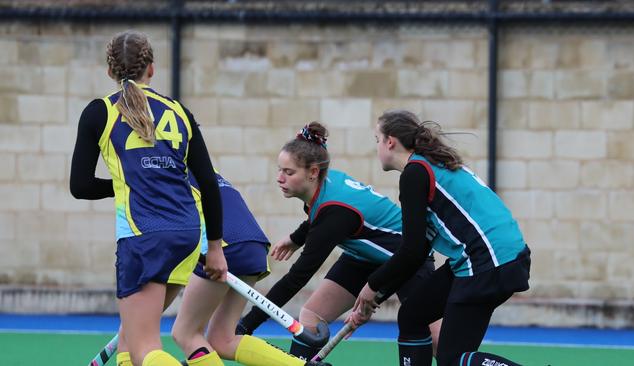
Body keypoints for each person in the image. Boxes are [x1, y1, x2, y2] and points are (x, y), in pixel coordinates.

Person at [70, 30, 227, 366]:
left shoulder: (100, 112)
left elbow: (80, 186)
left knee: (145, 350)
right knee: (129, 343)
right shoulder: (179, 111)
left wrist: (125, 184)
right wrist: (213, 247)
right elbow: (209, 185)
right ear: (151, 69)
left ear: (110, 71)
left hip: (144, 236)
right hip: (187, 235)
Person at [237, 122, 440, 361]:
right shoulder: (325, 184)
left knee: (440, 343)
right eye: (279, 170)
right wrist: (296, 238)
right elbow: (319, 219)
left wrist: (245, 326)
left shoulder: (335, 212)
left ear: (313, 172)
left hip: (407, 260)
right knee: (311, 317)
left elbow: (297, 278)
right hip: (362, 258)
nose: (280, 179)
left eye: (289, 172)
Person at [347, 109, 531, 366]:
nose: (377, 147)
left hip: (487, 263)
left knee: (452, 360)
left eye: (377, 139)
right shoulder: (428, 167)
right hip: (496, 259)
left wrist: (370, 287)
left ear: (390, 142)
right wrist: (376, 296)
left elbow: (410, 251)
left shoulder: (415, 173)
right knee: (413, 315)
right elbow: (419, 250)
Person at [171, 170, 331, 366]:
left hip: (222, 246)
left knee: (185, 333)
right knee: (223, 340)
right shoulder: (200, 165)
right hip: (252, 245)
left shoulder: (157, 172)